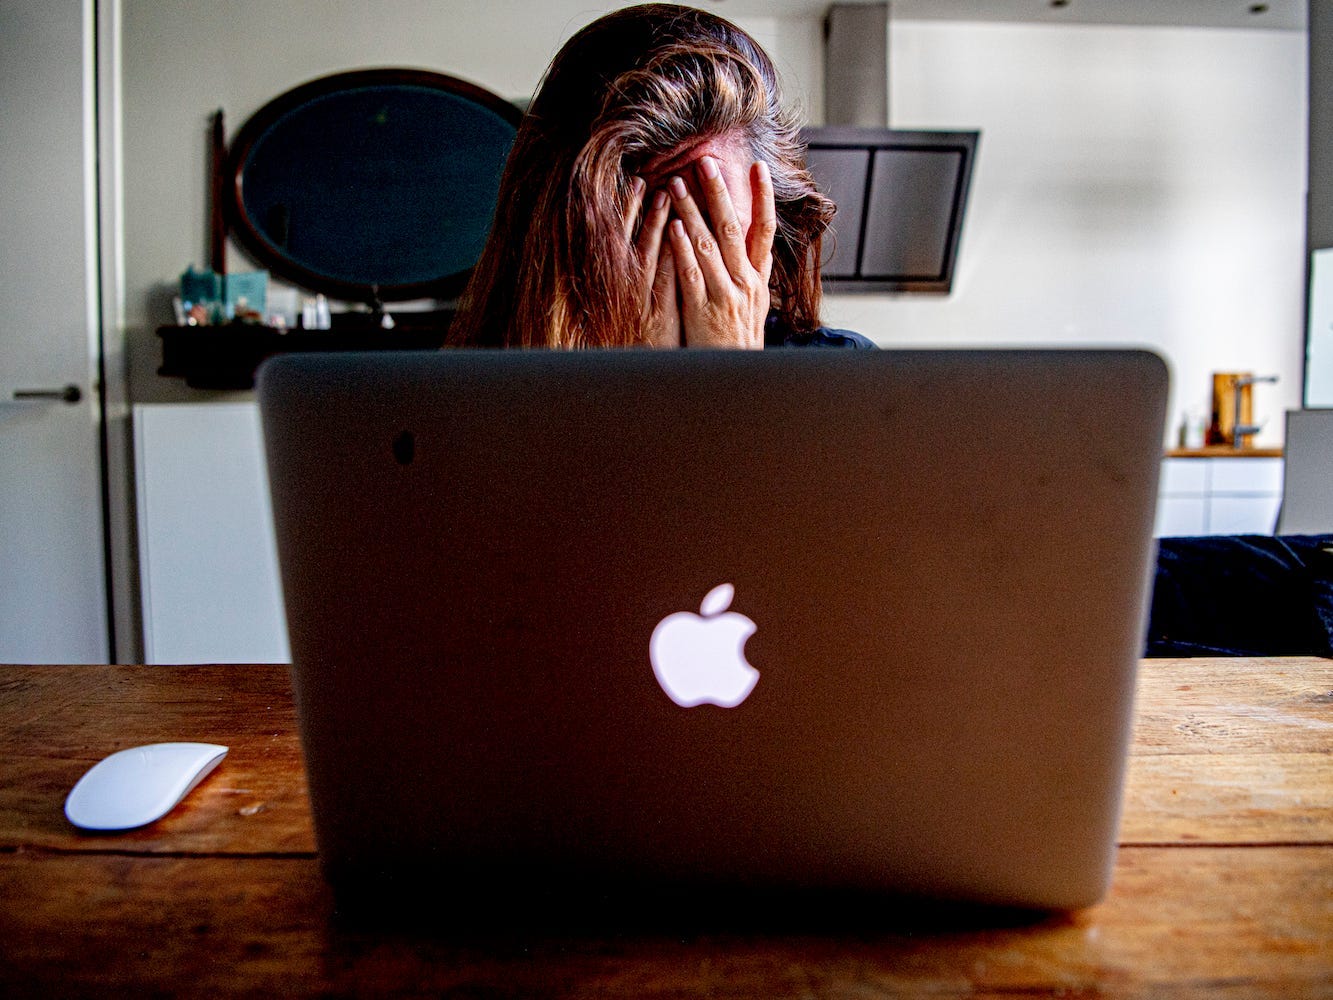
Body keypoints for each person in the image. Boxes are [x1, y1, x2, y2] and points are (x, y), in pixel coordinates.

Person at [448, 2, 873, 350]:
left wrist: (732, 385)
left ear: (769, 219)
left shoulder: (847, 380)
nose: (686, 256)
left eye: (712, 219)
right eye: (646, 223)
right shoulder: (466, 395)